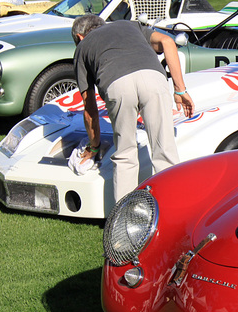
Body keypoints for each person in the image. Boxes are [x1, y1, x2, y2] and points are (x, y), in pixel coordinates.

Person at [71, 16, 194, 202]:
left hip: (116, 84)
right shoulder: (128, 25)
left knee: (125, 155)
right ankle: (173, 209)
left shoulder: (82, 48)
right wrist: (180, 89)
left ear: (80, 37)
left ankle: (124, 221)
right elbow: (168, 42)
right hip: (153, 77)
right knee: (165, 151)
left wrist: (94, 147)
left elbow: (90, 110)